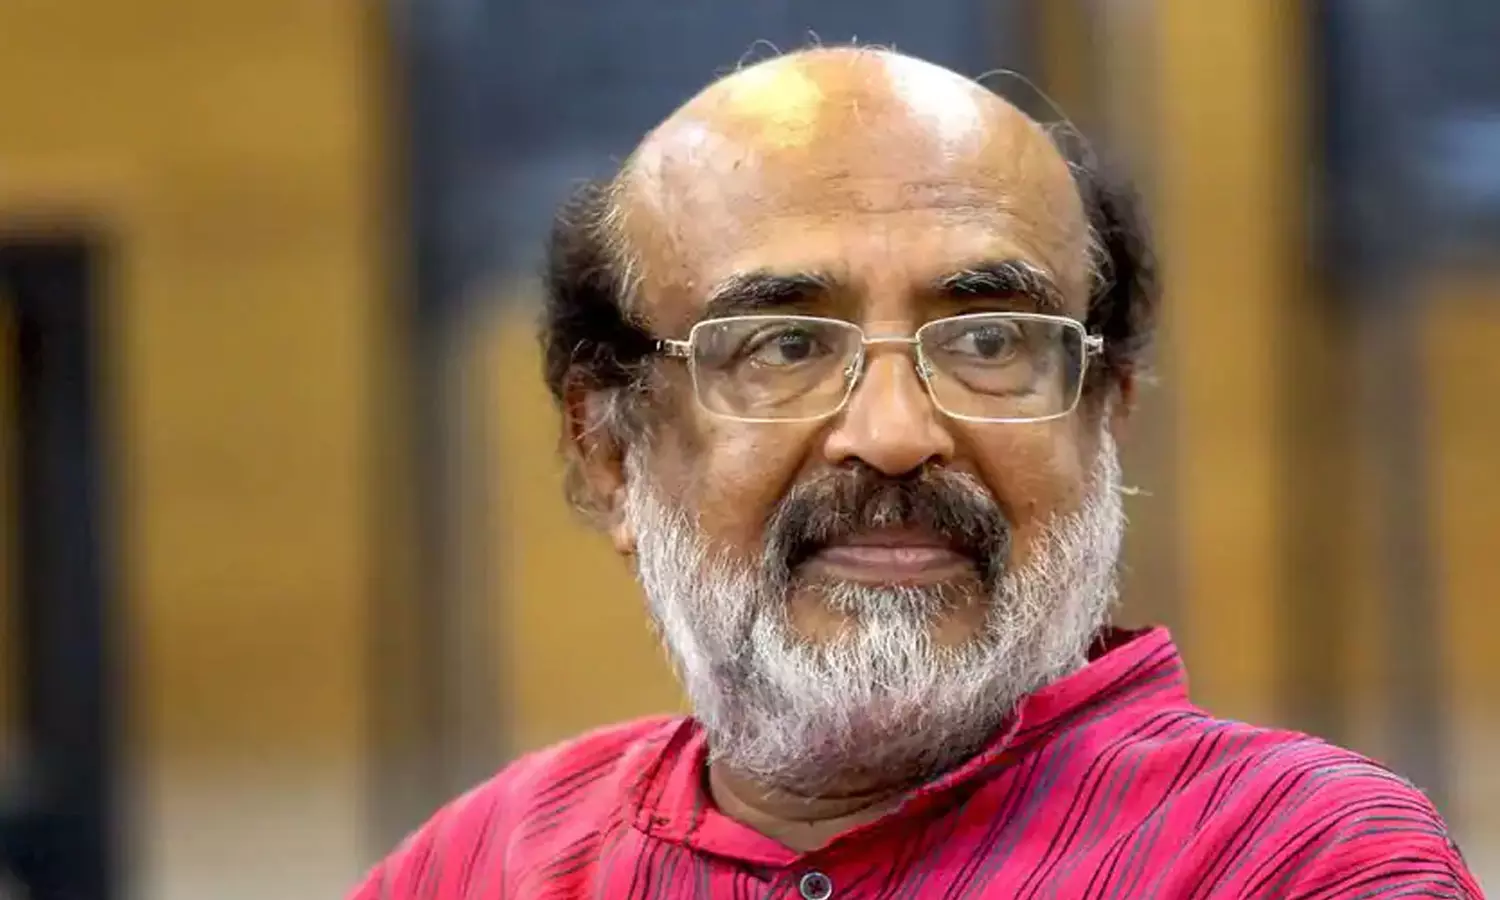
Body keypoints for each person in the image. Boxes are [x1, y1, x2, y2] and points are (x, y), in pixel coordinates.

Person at [351, 47, 1484, 898]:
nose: (893, 434)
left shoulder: (1292, 862)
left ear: (1107, 418)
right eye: (784, 345)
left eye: (988, 340)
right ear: (609, 451)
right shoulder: (486, 865)